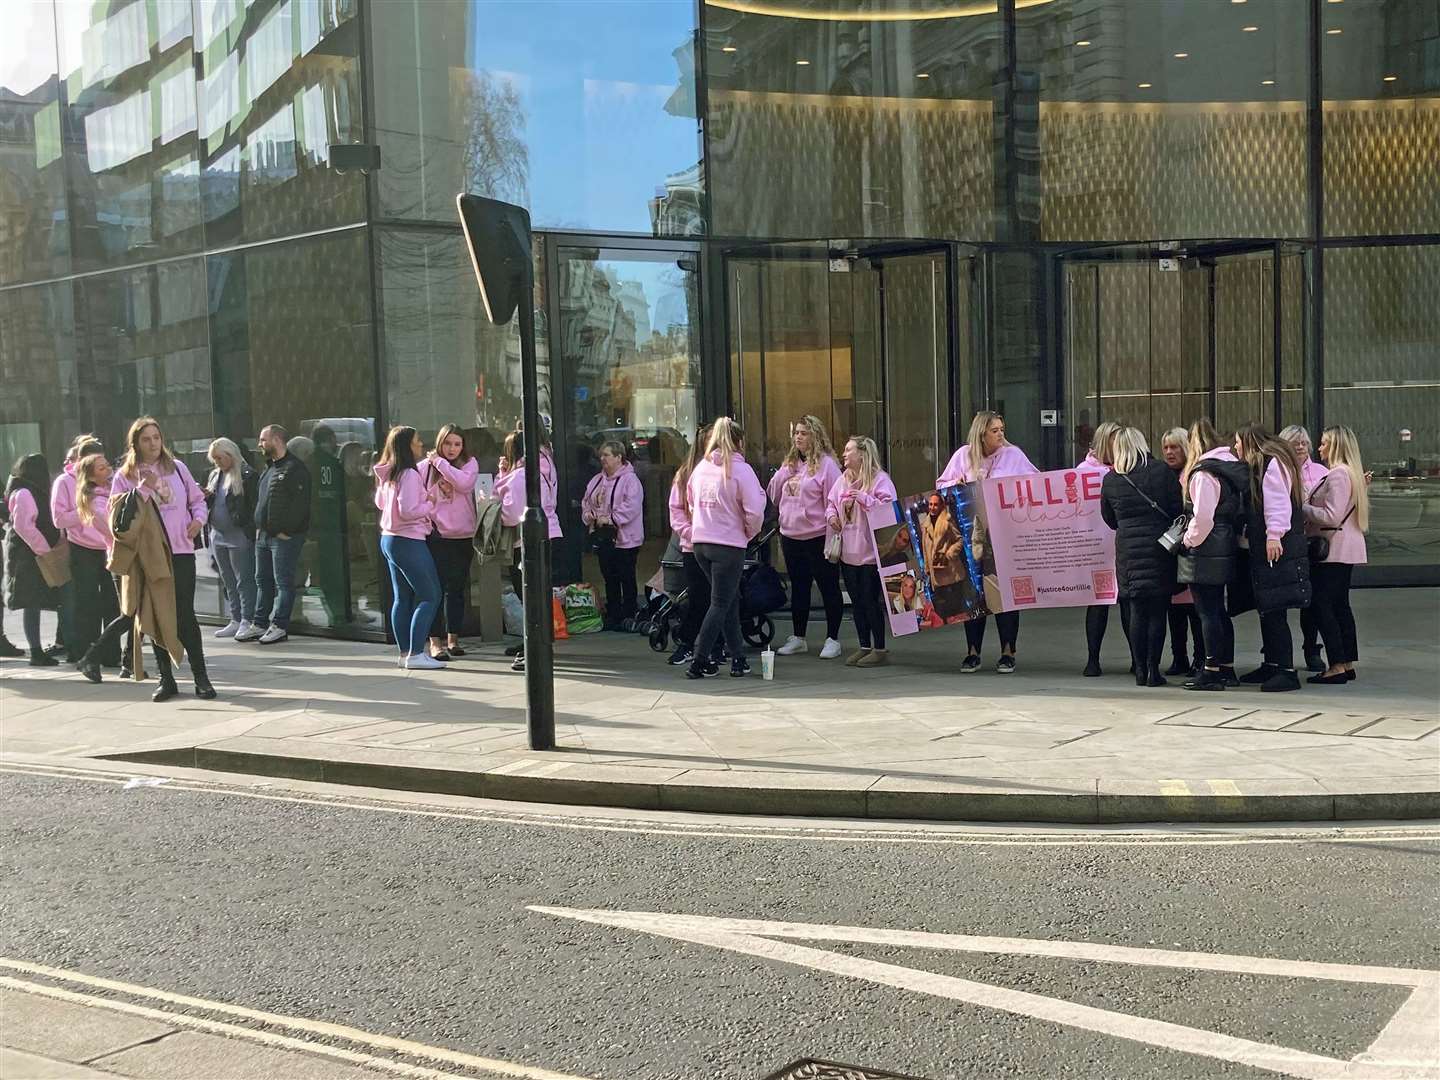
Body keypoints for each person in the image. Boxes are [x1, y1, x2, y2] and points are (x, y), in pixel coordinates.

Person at [107, 417, 213, 700]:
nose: (153, 443)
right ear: (136, 444)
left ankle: (201, 677)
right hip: (149, 556)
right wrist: (143, 487)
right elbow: (119, 519)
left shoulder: (177, 468)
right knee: (154, 616)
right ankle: (166, 679)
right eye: (146, 439)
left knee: (184, 616)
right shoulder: (124, 476)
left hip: (180, 551)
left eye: (156, 437)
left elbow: (197, 500)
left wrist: (198, 520)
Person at [937, 410, 1038, 673]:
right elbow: (941, 486)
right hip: (974, 537)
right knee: (974, 593)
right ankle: (972, 651)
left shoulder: (1013, 454)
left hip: (1005, 534)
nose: (1001, 434)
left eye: (1002, 429)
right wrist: (955, 483)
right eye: (995, 430)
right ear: (981, 433)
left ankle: (1008, 651)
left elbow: (1036, 482)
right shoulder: (963, 455)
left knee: (1004, 594)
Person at [1100, 427, 1184, 687]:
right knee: (1158, 612)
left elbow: (1109, 519)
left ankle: (1138, 670)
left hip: (1128, 552)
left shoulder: (1112, 480)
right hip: (1159, 548)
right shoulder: (1161, 472)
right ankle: (1153, 671)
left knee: (1136, 610)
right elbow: (1175, 510)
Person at [683, 418, 766, 679]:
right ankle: (699, 659)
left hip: (701, 543)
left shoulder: (701, 468)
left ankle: (738, 658)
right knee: (720, 602)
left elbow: (691, 502)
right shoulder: (741, 470)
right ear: (739, 442)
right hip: (728, 544)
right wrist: (748, 534)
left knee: (728, 600)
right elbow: (754, 511)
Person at [1234, 423, 1311, 693]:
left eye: (1238, 442)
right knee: (1268, 607)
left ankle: (1286, 670)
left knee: (1275, 609)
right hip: (1268, 544)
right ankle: (1273, 663)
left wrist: (1273, 535)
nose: (1236, 447)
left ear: (1249, 442)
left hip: (1277, 546)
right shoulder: (1270, 462)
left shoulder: (1271, 464)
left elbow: (1277, 502)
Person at [1177, 418, 1251, 692]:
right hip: (1225, 543)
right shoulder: (1229, 469)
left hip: (1206, 547)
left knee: (1206, 611)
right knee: (1219, 610)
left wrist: (1187, 541)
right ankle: (1226, 668)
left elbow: (1202, 517)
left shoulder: (1203, 474)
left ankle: (1210, 670)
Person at [766, 415, 844, 659]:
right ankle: (799, 636)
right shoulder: (789, 463)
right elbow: (773, 494)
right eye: (796, 433)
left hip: (817, 535)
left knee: (827, 586)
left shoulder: (827, 465)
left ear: (815, 436)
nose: (798, 437)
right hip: (791, 535)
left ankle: (833, 638)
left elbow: (834, 500)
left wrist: (833, 536)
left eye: (804, 433)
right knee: (799, 588)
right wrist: (784, 473)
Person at [1303, 425, 1368, 685]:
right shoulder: (1352, 474)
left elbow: (1331, 515)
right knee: (1340, 605)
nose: (1319, 449)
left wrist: (1303, 507)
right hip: (1346, 548)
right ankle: (1347, 662)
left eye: (1324, 443)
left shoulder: (1338, 475)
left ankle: (1336, 664)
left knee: (1323, 606)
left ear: (1336, 446)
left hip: (1332, 549)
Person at [494, 424, 563, 673]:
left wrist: (497, 501)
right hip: (548, 533)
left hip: (525, 540)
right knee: (538, 592)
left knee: (529, 594)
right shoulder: (540, 467)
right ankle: (536, 641)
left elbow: (511, 514)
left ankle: (533, 644)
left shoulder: (520, 475)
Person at [373, 425, 442, 671]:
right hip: (408, 540)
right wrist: (430, 502)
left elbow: (380, 502)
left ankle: (405, 653)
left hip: (389, 539)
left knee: (402, 598)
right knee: (430, 595)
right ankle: (415, 653)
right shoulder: (410, 475)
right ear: (406, 446)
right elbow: (410, 511)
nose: (421, 445)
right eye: (417, 442)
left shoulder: (389, 473)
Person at [827, 436, 898, 667]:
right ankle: (863, 645)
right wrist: (832, 516)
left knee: (870, 601)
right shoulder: (842, 480)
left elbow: (890, 511)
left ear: (862, 454)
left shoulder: (880, 480)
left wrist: (865, 498)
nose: (844, 454)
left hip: (870, 553)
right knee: (856, 601)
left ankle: (880, 648)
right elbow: (830, 503)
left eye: (849, 450)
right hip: (848, 551)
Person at [51, 435, 120, 666]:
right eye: (94, 461)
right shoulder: (64, 482)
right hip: (83, 549)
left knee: (114, 603)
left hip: (110, 548)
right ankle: (85, 654)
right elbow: (59, 519)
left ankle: (111, 654)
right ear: (80, 460)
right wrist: (85, 509)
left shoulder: (110, 481)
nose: (102, 467)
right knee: (87, 604)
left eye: (103, 461)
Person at [241, 425, 310, 645]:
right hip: (264, 536)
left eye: (263, 440)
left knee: (284, 582)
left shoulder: (294, 469)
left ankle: (279, 625)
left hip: (282, 538)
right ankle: (259, 622)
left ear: (277, 440)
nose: (260, 444)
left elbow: (301, 506)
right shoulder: (269, 469)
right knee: (262, 580)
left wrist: (285, 530)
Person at [425, 423, 479, 659]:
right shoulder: (426, 467)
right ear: (440, 442)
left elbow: (464, 484)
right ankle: (434, 642)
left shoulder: (469, 464)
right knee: (435, 589)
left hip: (464, 535)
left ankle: (453, 639)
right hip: (437, 535)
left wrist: (440, 463)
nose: (452, 448)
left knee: (456, 589)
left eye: (457, 444)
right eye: (447, 443)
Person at [4, 454, 63, 665]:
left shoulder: (26, 490)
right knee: (32, 603)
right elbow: (24, 526)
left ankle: (38, 649)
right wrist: (44, 549)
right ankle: (36, 651)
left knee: (35, 602)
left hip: (29, 554)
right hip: (28, 556)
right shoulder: (25, 493)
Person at [664, 425, 716, 668]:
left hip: (720, 543)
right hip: (693, 545)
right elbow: (676, 510)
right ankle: (688, 643)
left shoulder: (725, 470)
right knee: (698, 597)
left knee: (721, 598)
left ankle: (716, 645)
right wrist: (690, 532)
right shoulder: (685, 474)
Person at [1280, 424, 1330, 673]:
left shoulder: (1321, 471)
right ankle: (1274, 651)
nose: (1300, 446)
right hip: (1284, 542)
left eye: (1303, 442)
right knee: (1278, 600)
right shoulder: (1278, 471)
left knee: (1309, 600)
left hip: (1310, 543)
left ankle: (1311, 648)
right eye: (1294, 442)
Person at [582, 439, 644, 631]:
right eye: (601, 455)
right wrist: (589, 515)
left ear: (619, 457)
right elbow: (587, 501)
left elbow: (632, 507)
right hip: (605, 538)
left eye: (607, 455)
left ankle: (629, 612)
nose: (603, 459)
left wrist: (610, 519)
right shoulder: (597, 480)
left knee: (626, 576)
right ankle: (614, 613)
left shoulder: (630, 480)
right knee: (609, 576)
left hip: (626, 539)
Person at [1077, 420, 1121, 677]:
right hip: (1096, 545)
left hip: (1120, 543)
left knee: (1128, 602)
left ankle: (1138, 660)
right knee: (1098, 602)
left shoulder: (1127, 469)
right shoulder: (1085, 470)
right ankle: (1093, 659)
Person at [1160, 427, 1204, 676]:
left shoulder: (1194, 475)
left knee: (1195, 610)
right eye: (1166, 447)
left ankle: (1200, 658)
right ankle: (1179, 657)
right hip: (1171, 549)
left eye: (1174, 447)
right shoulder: (1163, 475)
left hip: (1190, 547)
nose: (1169, 452)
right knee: (1174, 610)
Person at [205, 438, 259, 640]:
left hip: (238, 535)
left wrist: (249, 530)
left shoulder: (246, 475)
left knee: (243, 579)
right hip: (218, 535)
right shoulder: (215, 475)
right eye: (214, 459)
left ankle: (247, 618)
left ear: (230, 454)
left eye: (219, 457)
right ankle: (235, 618)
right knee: (227, 579)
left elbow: (253, 505)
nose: (217, 462)